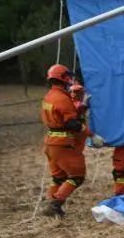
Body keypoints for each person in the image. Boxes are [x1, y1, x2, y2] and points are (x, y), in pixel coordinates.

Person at [40, 65, 103, 217]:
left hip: (50, 142)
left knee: (58, 177)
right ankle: (55, 204)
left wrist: (82, 107)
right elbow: (72, 124)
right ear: (64, 77)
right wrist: (91, 135)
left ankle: (50, 203)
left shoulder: (49, 96)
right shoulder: (62, 98)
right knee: (77, 177)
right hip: (63, 144)